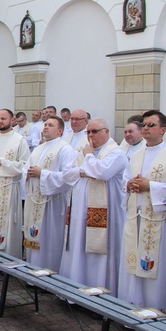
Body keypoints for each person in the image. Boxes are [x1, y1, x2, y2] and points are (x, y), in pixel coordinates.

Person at [118, 110, 166, 314]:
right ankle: (133, 304)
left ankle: (156, 309)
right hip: (136, 218)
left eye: (151, 125)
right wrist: (130, 184)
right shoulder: (136, 154)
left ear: (164, 130)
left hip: (159, 221)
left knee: (157, 269)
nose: (146, 128)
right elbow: (124, 179)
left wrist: (152, 186)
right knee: (134, 265)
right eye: (145, 125)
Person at [60, 118, 127, 295]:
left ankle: (100, 293)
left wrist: (88, 161)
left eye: (94, 131)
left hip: (104, 215)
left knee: (98, 251)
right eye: (88, 132)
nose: (90, 135)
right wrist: (86, 169)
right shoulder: (85, 151)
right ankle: (75, 290)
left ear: (107, 131)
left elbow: (102, 173)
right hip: (79, 209)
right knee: (78, 246)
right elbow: (67, 173)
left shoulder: (116, 153)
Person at [23, 116, 76, 272]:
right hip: (35, 200)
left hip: (52, 203)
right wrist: (27, 173)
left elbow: (68, 177)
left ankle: (50, 272)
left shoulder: (65, 149)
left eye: (50, 125)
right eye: (45, 124)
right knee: (34, 234)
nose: (45, 127)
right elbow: (26, 168)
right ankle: (33, 271)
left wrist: (42, 173)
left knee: (50, 238)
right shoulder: (39, 148)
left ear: (60, 131)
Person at [0, 109, 30, 259]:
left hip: (9, 188)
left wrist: (4, 163)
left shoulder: (20, 140)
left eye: (3, 119)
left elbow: (25, 166)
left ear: (12, 120)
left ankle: (8, 259)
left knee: (8, 225)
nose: (0, 122)